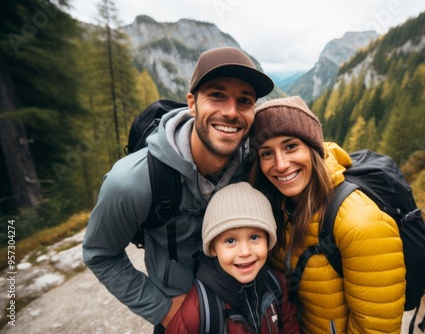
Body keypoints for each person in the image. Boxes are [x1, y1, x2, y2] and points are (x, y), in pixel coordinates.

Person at [82, 47, 274, 333]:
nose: (231, 112)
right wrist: (164, 311)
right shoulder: (133, 181)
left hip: (247, 310)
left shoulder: (256, 164)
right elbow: (100, 254)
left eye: (244, 100)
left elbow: (297, 160)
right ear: (192, 104)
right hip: (182, 320)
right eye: (217, 95)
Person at [248, 96, 406, 333]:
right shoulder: (280, 205)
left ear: (313, 149)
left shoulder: (359, 222)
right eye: (267, 153)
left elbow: (376, 329)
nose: (280, 164)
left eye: (291, 146)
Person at [165, 182, 300, 333]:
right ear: (212, 248)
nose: (244, 251)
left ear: (268, 240)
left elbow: (290, 325)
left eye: (254, 237)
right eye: (230, 241)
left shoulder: (277, 284)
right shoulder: (198, 310)